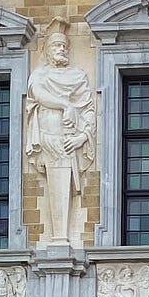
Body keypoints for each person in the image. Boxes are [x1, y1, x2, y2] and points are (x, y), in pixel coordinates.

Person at [24, 24, 96, 245]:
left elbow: (89, 109)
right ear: (46, 49)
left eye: (64, 46)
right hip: (48, 136)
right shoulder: (39, 75)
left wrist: (82, 137)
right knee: (56, 182)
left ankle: (61, 237)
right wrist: (65, 104)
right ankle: (58, 237)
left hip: (68, 139)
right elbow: (39, 94)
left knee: (63, 183)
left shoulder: (78, 75)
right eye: (56, 45)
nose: (61, 49)